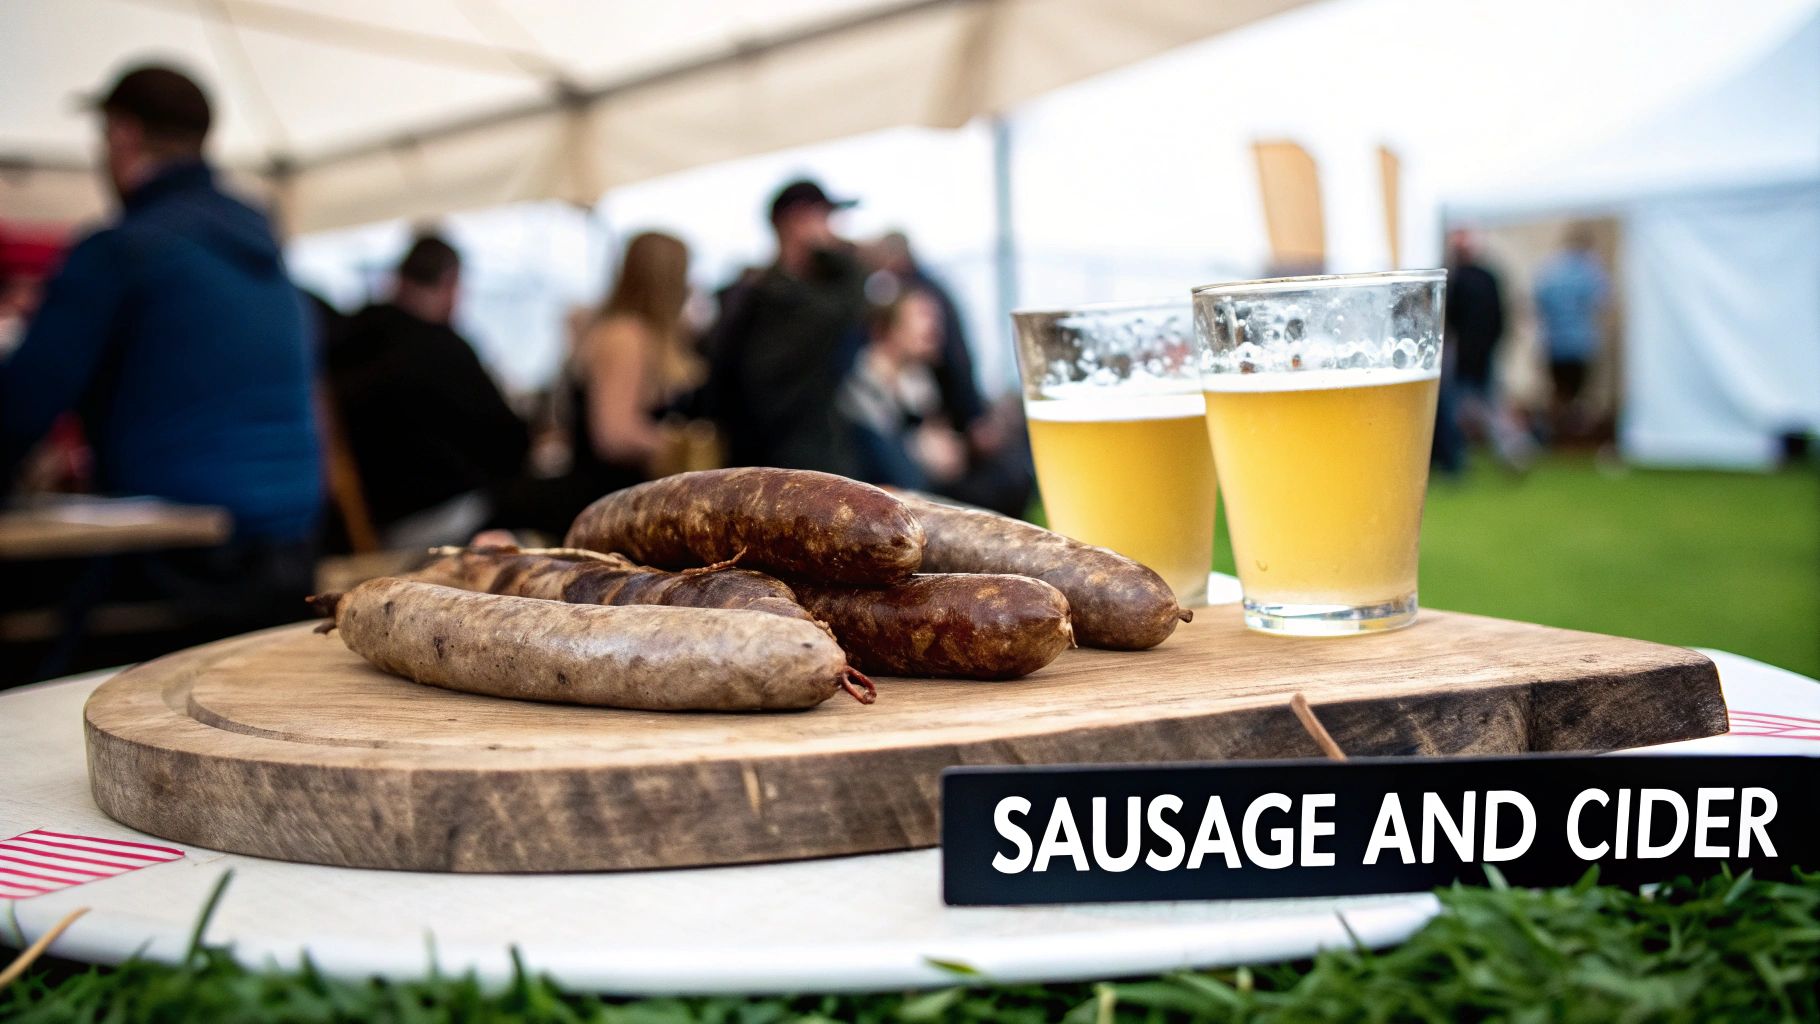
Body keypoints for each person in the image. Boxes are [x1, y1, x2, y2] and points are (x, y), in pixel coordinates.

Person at [0, 64, 321, 665]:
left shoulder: (122, 249)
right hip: (293, 554)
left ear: (122, 136)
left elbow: (21, 404)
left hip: (184, 570)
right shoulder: (265, 253)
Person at [325, 233, 529, 547]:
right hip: (442, 520)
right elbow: (508, 442)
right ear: (450, 282)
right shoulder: (441, 347)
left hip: (358, 528)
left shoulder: (345, 340)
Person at [704, 179, 868, 475]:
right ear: (798, 220)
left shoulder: (758, 292)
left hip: (780, 455)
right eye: (824, 217)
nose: (832, 230)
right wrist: (839, 254)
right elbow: (849, 304)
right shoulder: (781, 299)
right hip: (794, 458)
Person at [1441, 229, 1534, 473]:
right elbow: (1501, 317)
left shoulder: (1457, 278)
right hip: (1483, 352)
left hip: (1465, 355)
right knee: (1490, 407)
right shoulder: (1488, 276)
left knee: (1456, 410)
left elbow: (1450, 319)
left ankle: (1456, 462)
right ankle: (1513, 453)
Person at [1533, 225, 1610, 444]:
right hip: (1581, 342)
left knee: (1559, 392)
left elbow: (1538, 302)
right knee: (1579, 394)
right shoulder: (1591, 270)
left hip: (1554, 341)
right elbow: (1601, 302)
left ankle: (1555, 437)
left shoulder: (1551, 269)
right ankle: (1574, 438)